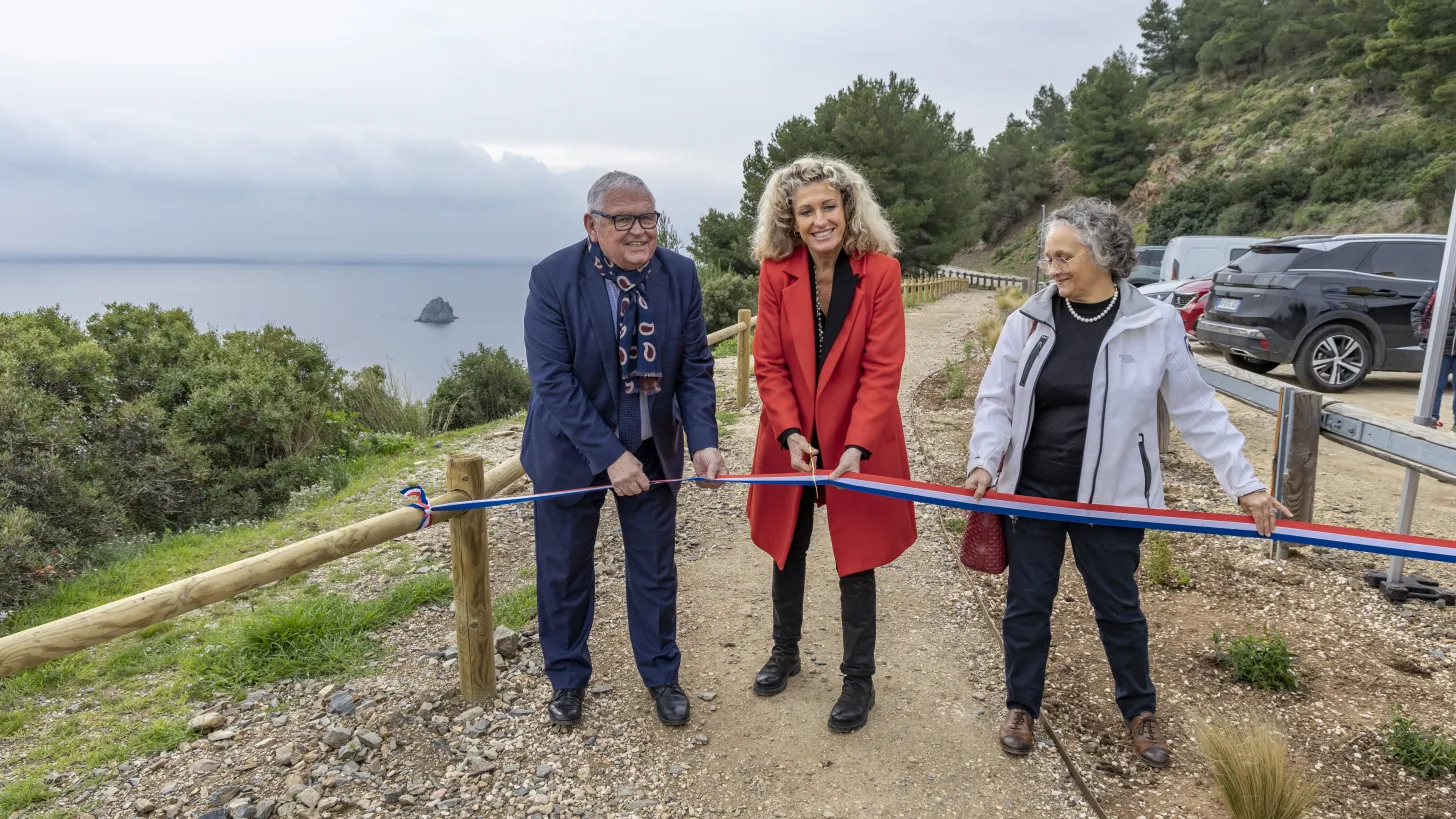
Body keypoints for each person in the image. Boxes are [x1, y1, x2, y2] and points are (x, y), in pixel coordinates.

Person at [964, 199, 1289, 768]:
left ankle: (1139, 711)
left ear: (1104, 254)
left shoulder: (1152, 323)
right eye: (1048, 257)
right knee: (1026, 604)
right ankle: (1021, 706)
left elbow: (1196, 409)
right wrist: (984, 463)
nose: (1052, 268)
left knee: (1119, 608)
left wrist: (1245, 485)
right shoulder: (1028, 321)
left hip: (1113, 499)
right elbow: (996, 399)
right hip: (1033, 490)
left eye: (1063, 256)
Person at [521, 171, 727, 727]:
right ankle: (566, 679)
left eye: (649, 218)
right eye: (624, 219)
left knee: (655, 567)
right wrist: (610, 455)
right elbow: (552, 381)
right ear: (592, 225)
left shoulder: (679, 274)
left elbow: (695, 368)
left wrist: (704, 441)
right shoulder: (553, 278)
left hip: (653, 448)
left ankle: (662, 675)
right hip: (570, 451)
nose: (640, 231)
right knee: (563, 569)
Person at [745, 155, 917, 733]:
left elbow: (882, 367)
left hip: (856, 436)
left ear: (848, 209)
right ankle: (785, 652)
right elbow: (768, 364)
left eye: (828, 206)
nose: (819, 220)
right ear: (790, 220)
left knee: (857, 555)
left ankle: (858, 679)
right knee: (787, 544)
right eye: (805, 211)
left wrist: (858, 446)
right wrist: (790, 432)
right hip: (792, 434)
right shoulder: (776, 273)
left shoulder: (883, 272)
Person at [1410, 283, 1456, 427]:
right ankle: (1430, 421)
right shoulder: (1440, 285)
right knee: (1434, 386)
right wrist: (1422, 334)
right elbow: (1418, 311)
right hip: (1440, 348)